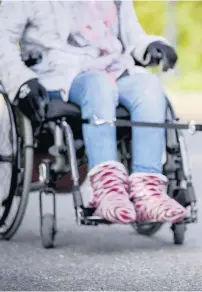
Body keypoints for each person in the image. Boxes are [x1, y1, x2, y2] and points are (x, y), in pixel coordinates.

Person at [0, 0, 187, 224]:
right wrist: (21, 81)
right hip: (57, 75)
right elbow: (3, 39)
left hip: (114, 68)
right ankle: (108, 192)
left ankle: (148, 192)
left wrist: (151, 44)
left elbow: (132, 35)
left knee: (149, 86)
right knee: (98, 85)